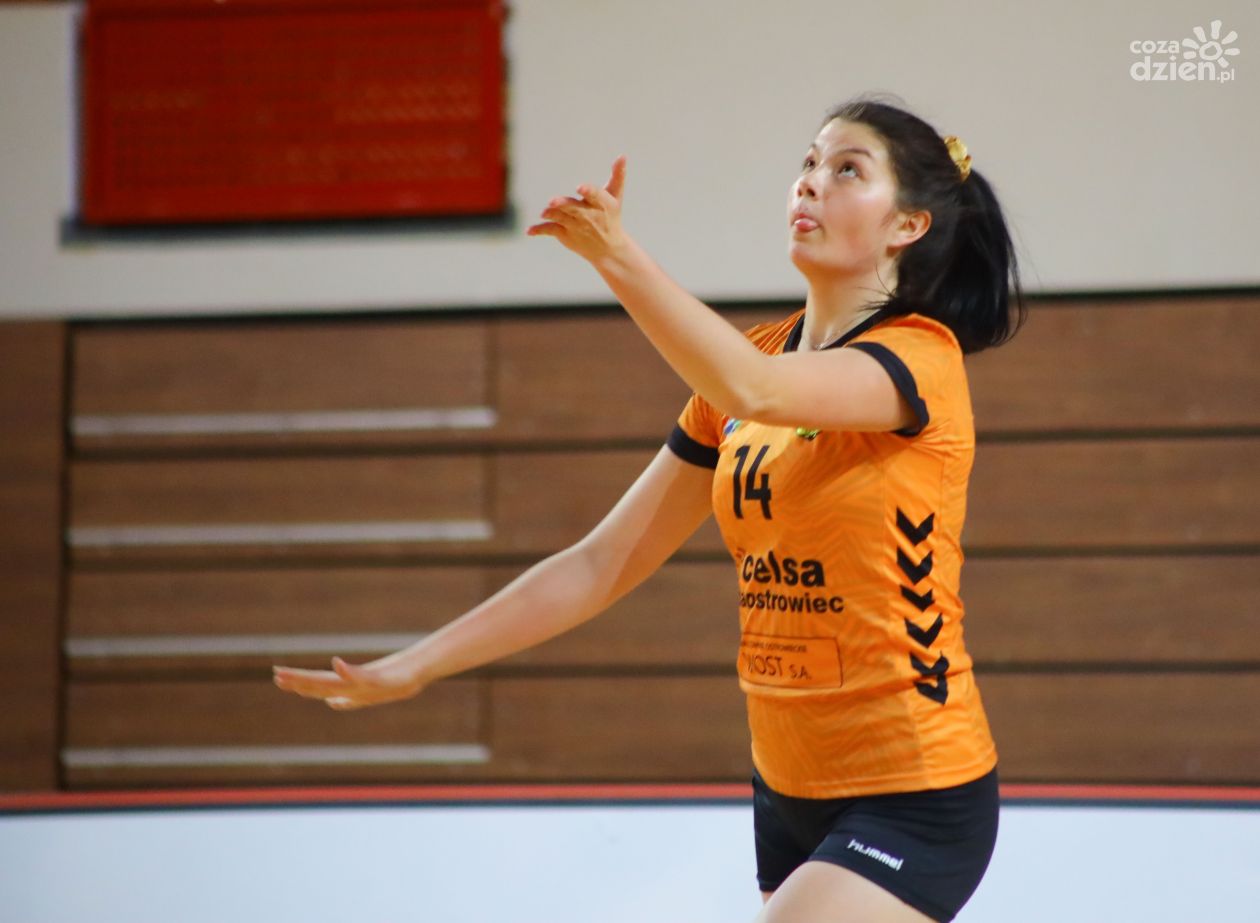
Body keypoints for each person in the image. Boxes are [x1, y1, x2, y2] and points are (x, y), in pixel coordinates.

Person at [274, 95, 1025, 923]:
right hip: (788, 785)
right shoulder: (752, 362)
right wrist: (418, 665)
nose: (811, 183)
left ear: (907, 226)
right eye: (809, 162)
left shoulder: (917, 359)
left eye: (848, 170)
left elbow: (756, 388)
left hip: (914, 784)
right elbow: (600, 562)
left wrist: (616, 255)